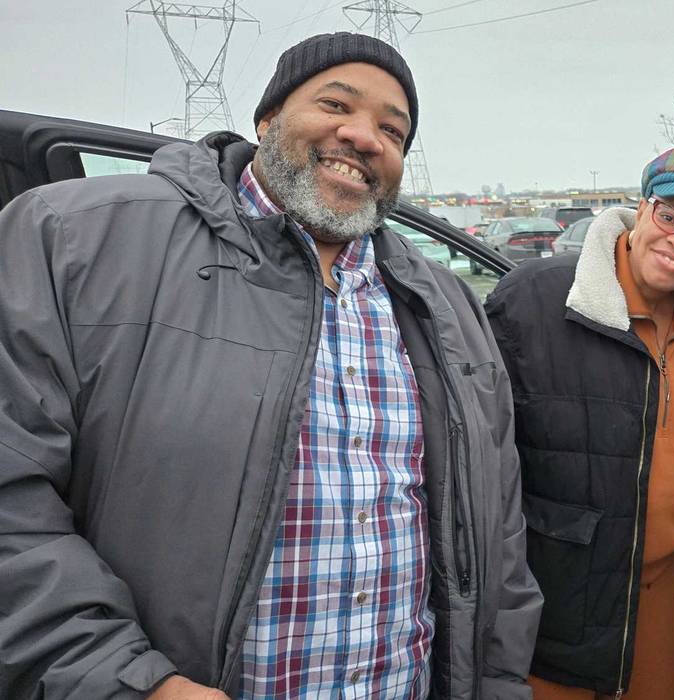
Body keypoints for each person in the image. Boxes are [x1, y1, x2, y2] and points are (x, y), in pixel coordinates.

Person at [0, 32, 540, 699]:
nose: (364, 136)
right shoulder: (76, 239)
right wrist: (128, 681)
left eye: (392, 131)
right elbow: (13, 496)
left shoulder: (448, 307)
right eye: (335, 104)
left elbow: (500, 540)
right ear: (266, 119)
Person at [484, 148, 674, 699]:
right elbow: (477, 463)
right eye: (670, 215)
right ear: (641, 209)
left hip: (660, 604)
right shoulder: (535, 301)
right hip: (554, 617)